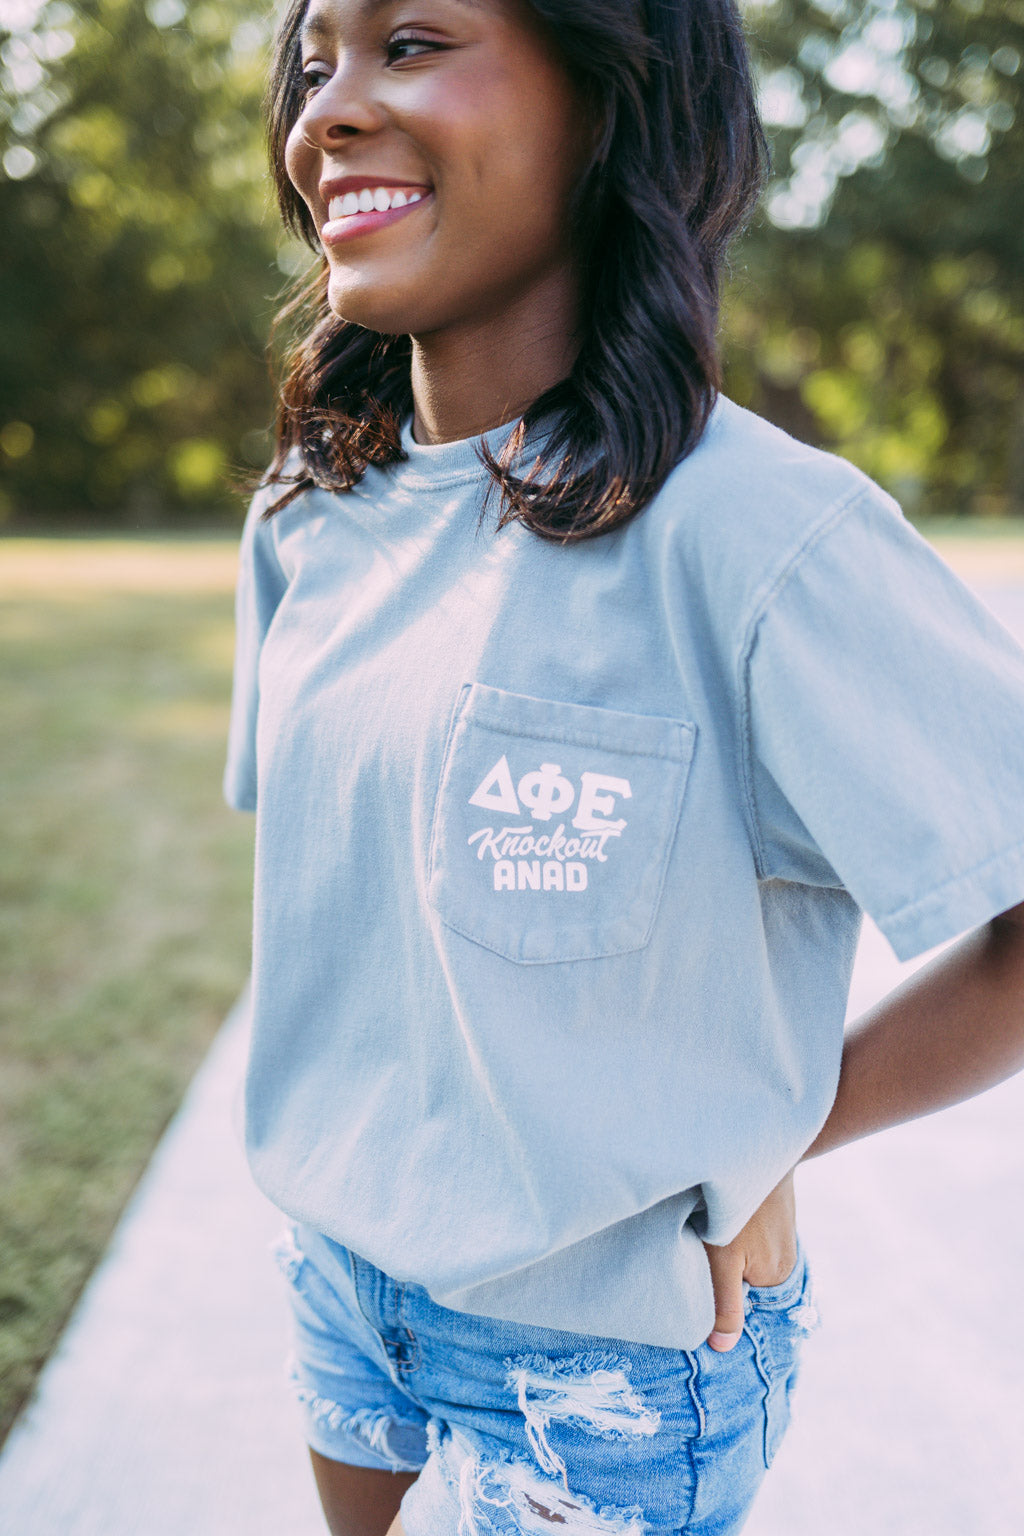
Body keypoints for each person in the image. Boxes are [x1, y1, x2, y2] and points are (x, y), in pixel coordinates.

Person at [223, 1, 1024, 1532]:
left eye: (412, 43)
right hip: (337, 1281)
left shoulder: (764, 536)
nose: (327, 112)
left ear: (609, 103)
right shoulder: (304, 515)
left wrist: (781, 1133)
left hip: (608, 1366)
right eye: (315, 64)